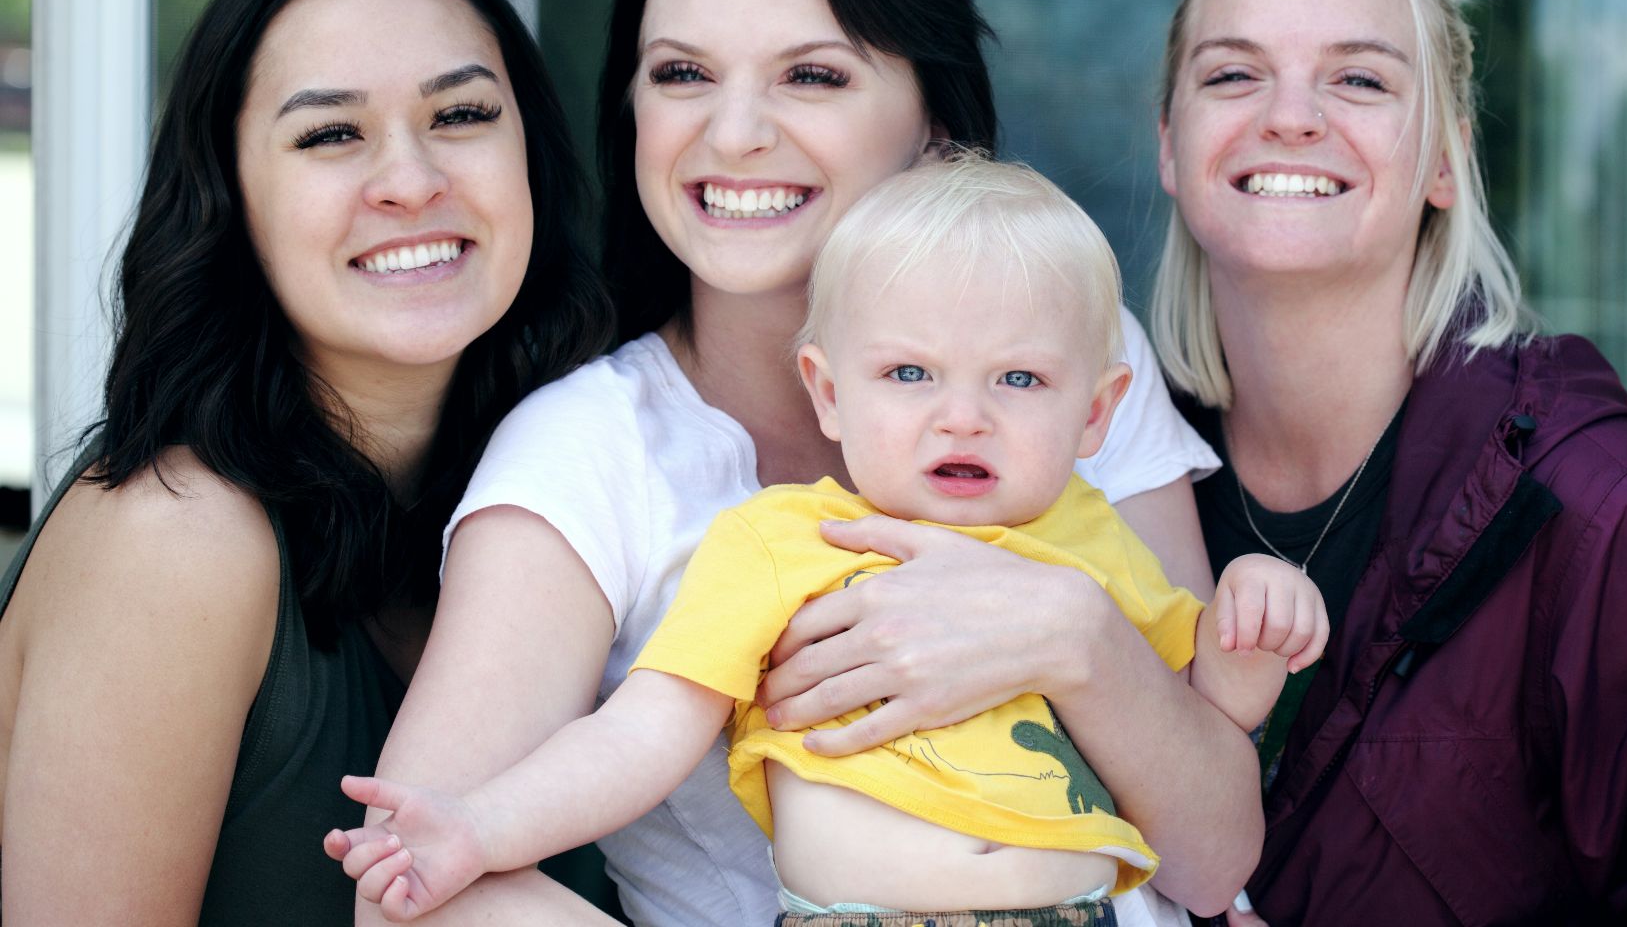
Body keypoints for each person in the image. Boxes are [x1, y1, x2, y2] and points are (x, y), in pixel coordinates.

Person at [357, 0, 1261, 926]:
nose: (734, 132)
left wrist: (1077, 634)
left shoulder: (1064, 356)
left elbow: (1210, 871)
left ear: (936, 127)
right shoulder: (588, 451)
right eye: (683, 74)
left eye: (812, 76)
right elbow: (407, 893)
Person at [330, 158, 1326, 924]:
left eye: (1018, 381)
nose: (962, 418)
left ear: (1098, 413)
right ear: (829, 391)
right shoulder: (781, 543)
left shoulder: (1095, 544)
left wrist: (1254, 629)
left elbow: (1208, 771)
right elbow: (642, 735)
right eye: (909, 375)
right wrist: (477, 828)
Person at [1149, 0, 1627, 924]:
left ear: (1444, 160)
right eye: (1231, 73)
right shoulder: (1099, 479)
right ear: (1171, 146)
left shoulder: (1605, 511)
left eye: (1358, 78)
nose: (1290, 115)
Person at [0, 0, 611, 924]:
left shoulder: (563, 493)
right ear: (231, 199)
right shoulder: (176, 539)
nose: (412, 182)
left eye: (461, 115)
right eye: (331, 134)